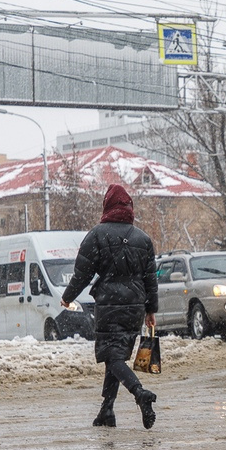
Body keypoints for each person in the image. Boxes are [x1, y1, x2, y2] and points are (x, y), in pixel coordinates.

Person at [62, 184, 159, 429]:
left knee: (112, 355)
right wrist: (151, 310)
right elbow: (151, 278)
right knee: (115, 356)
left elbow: (82, 273)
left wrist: (68, 296)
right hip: (135, 305)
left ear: (107, 206)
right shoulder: (143, 238)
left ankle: (140, 394)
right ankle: (107, 410)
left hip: (109, 303)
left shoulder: (97, 235)